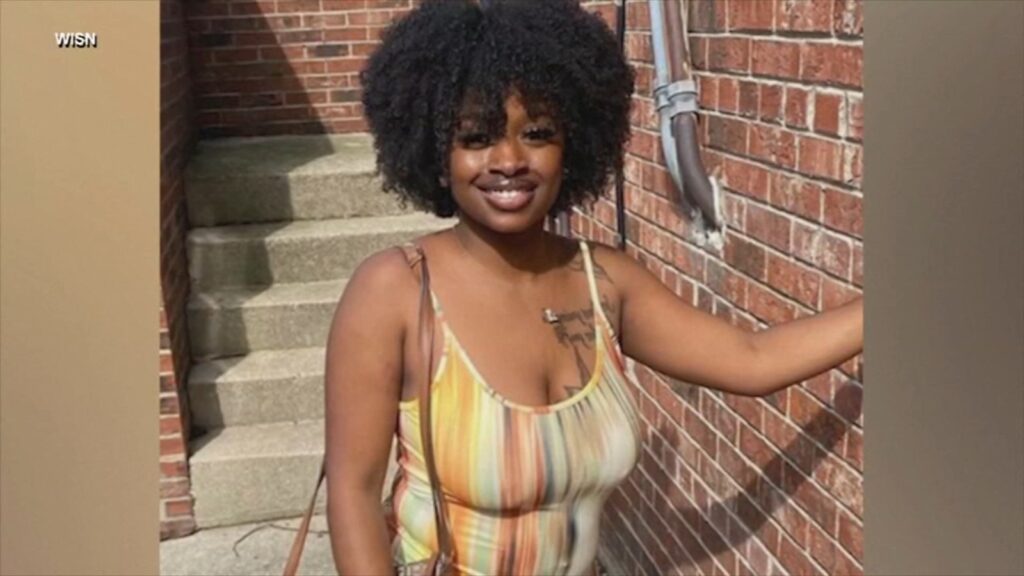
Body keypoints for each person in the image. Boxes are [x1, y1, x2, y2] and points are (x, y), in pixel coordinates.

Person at [323, 1, 863, 575]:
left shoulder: (604, 282)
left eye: (537, 133)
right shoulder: (396, 291)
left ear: (572, 145)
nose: (509, 160)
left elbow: (752, 359)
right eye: (476, 138)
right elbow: (353, 492)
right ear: (437, 156)